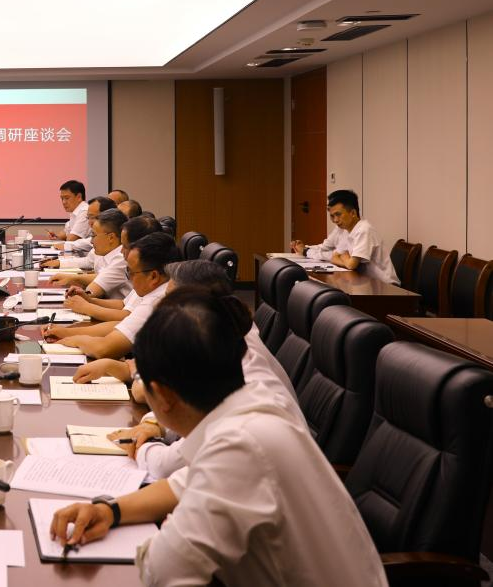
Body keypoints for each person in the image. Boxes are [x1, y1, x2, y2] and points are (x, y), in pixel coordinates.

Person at [50, 288, 385, 586]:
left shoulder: (240, 446)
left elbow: (162, 571)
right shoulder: (250, 406)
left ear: (161, 395)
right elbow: (181, 485)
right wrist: (109, 511)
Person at [83, 261, 301, 480]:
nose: (160, 306)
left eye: (169, 300)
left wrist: (141, 446)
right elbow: (189, 408)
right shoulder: (223, 337)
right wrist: (153, 425)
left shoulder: (236, 366)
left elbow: (168, 463)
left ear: (193, 308)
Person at [46, 231, 178, 357]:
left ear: (153, 276)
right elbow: (121, 321)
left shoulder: (157, 300)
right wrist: (67, 331)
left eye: (130, 272)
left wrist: (74, 338)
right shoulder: (153, 286)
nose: (130, 278)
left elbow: (103, 349)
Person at [290, 189, 397, 284]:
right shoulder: (346, 229)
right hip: (364, 281)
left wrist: (344, 257)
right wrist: (345, 258)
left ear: (353, 213)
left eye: (338, 214)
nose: (335, 220)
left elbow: (351, 265)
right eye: (332, 216)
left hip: (386, 287)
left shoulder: (364, 229)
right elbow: (334, 257)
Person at [49, 210, 130, 300]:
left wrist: (73, 279)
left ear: (111, 237)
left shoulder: (122, 257)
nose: (91, 241)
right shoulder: (107, 253)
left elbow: (92, 290)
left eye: (94, 235)